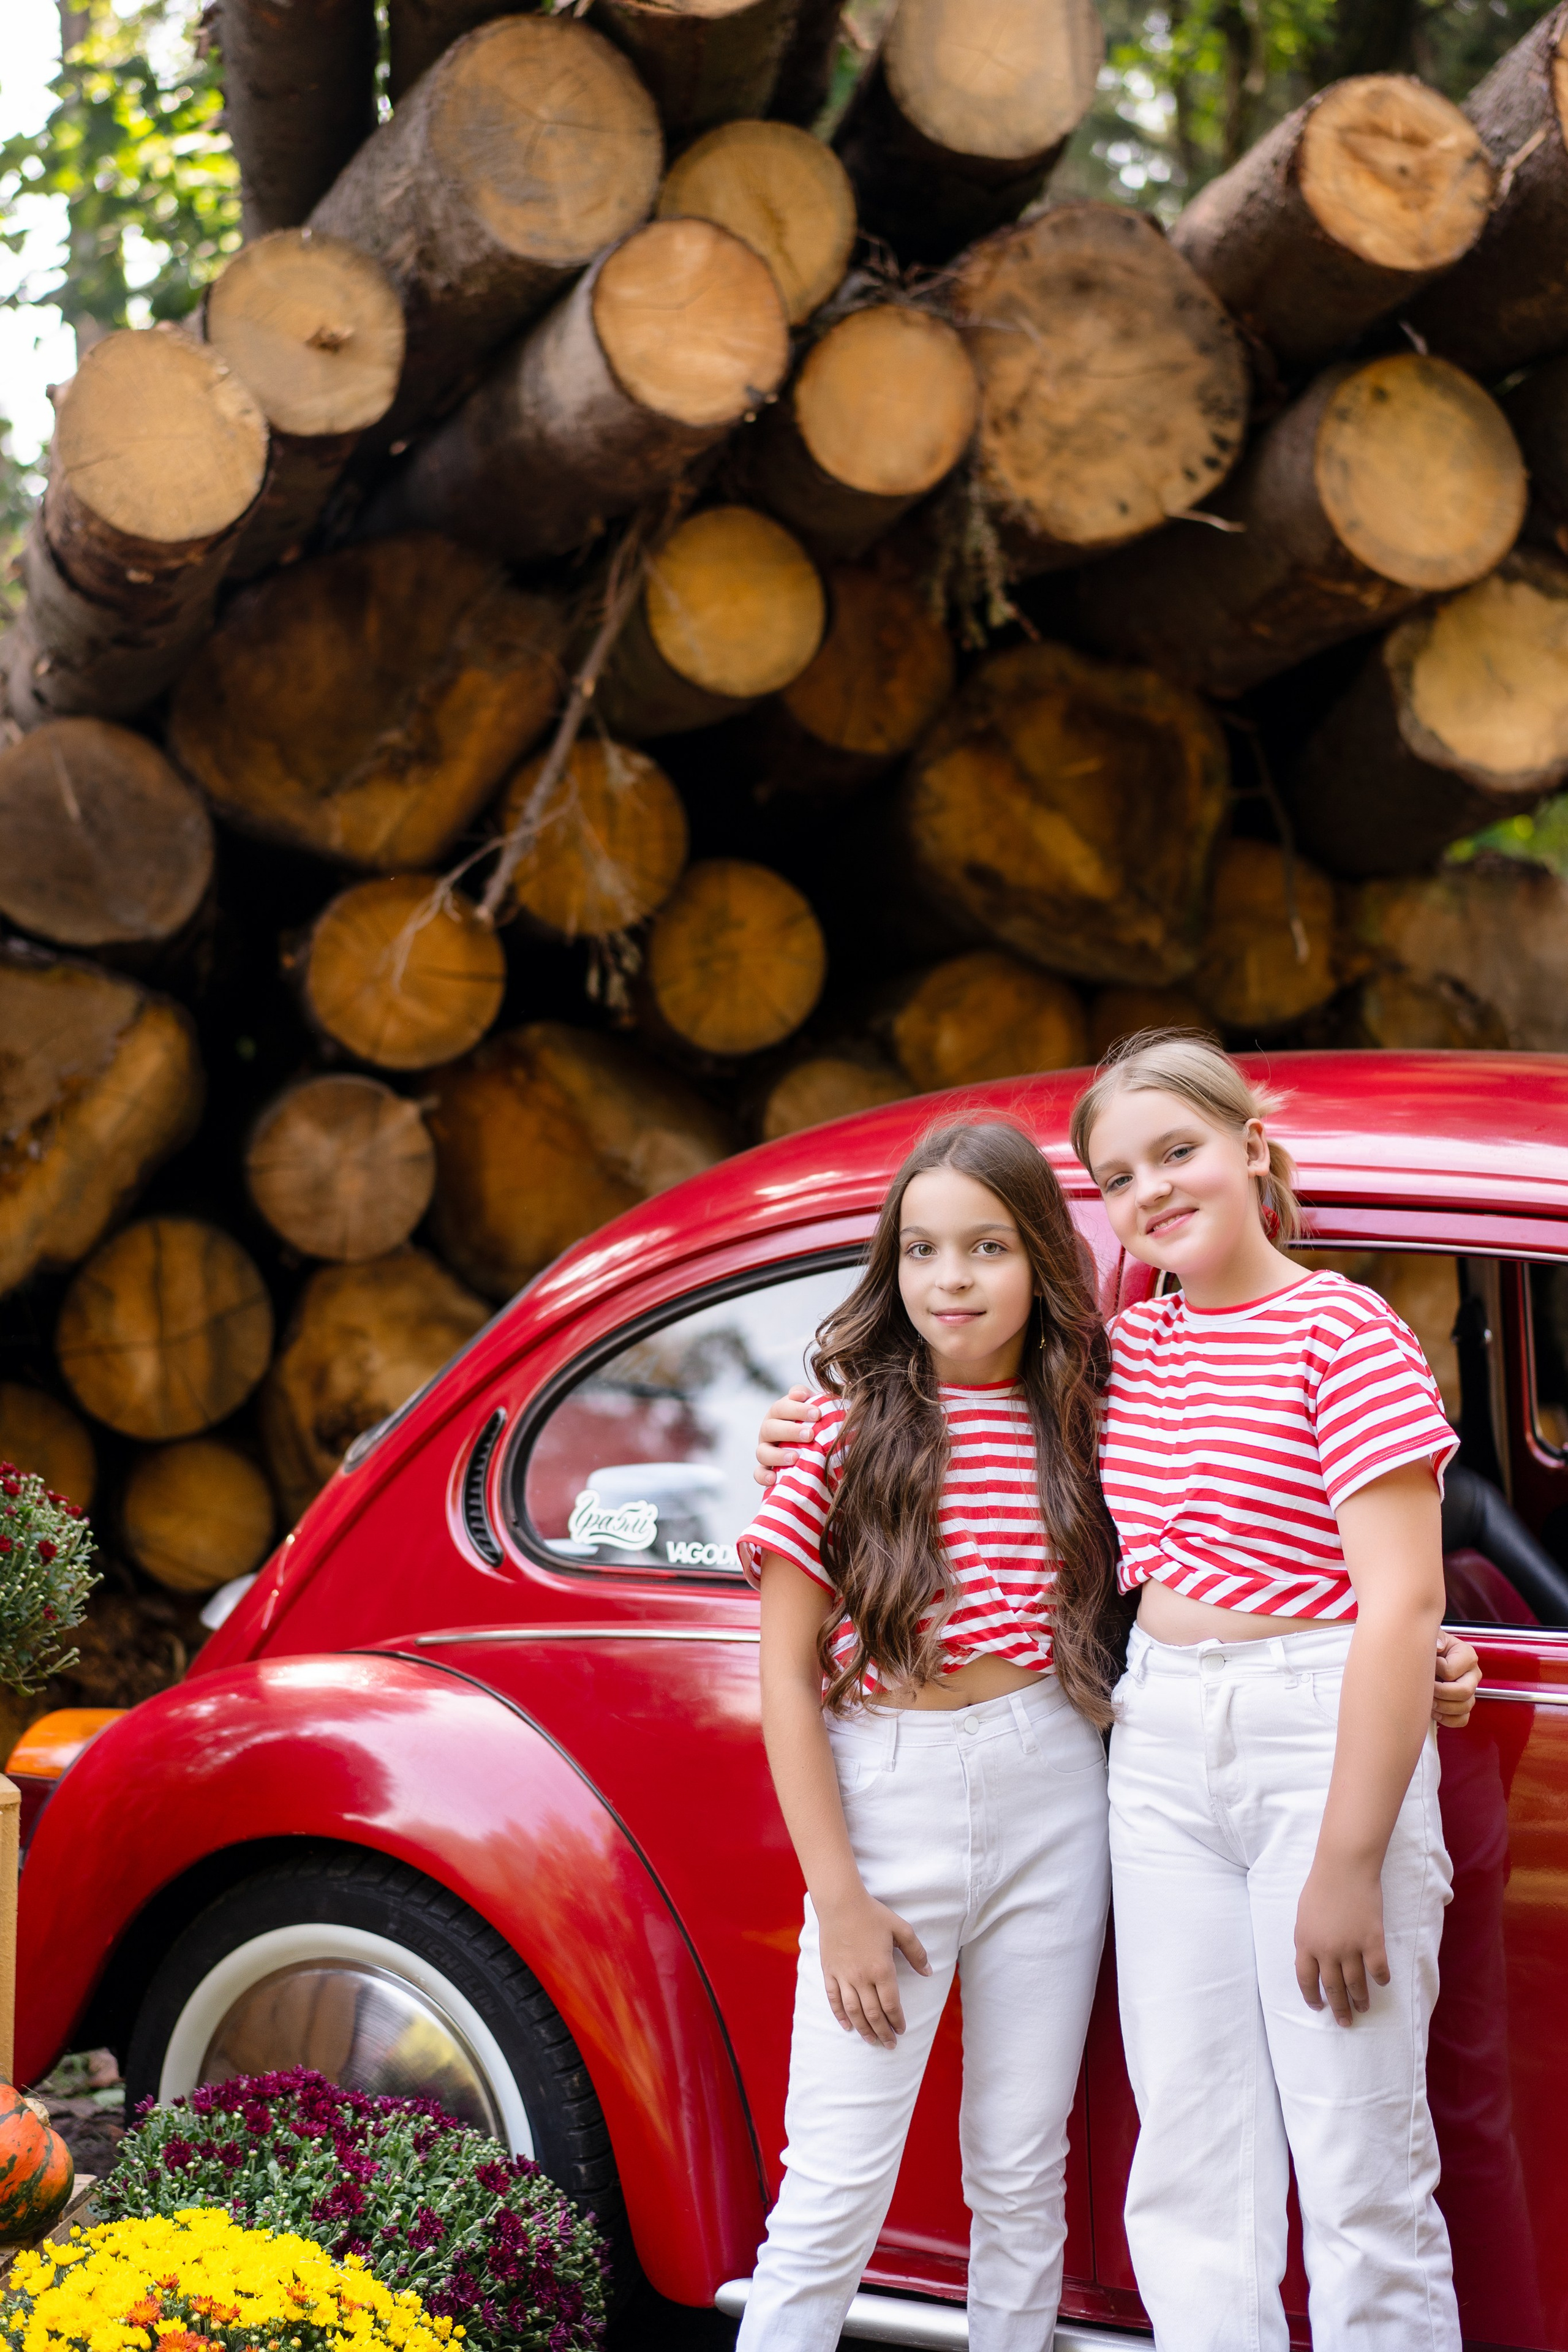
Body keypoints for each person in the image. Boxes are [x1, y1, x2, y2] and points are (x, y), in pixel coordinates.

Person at [755, 1036, 1481, 2352]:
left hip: (1311, 1736)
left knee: (1358, 2160)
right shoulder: (1121, 1359)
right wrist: (805, 1423)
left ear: (1251, 1144)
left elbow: (1393, 1598)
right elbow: (942, 1429)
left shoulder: (1340, 1326)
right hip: (1152, 1744)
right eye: (1117, 1174)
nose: (1150, 1188)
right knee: (1189, 2163)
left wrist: (1366, 1795)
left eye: (1177, 1151)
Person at [736, 1118, 1124, 2352]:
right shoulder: (845, 1433)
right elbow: (785, 1681)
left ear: (1041, 1263)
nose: (949, 1280)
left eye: (986, 1248)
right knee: (837, 2182)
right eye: (919, 1250)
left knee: (1020, 2164)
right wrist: (837, 1897)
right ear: (890, 1267)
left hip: (1054, 1778)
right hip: (887, 1791)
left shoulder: (1086, 1423)